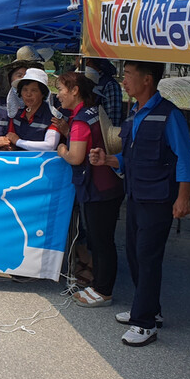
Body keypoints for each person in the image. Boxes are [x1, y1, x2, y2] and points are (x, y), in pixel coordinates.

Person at [89, 61, 190, 347]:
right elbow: (129, 157)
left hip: (159, 198)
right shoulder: (134, 113)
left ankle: (145, 323)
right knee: (135, 254)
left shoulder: (169, 115)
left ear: (147, 80)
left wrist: (183, 197)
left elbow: (185, 158)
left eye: (128, 75)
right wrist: (107, 159)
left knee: (147, 257)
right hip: (135, 194)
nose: (123, 81)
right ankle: (149, 309)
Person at [54, 71, 124, 307]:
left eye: (62, 90)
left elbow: (75, 156)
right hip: (109, 186)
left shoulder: (81, 119)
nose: (58, 95)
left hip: (97, 189)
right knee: (102, 240)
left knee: (101, 241)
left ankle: (103, 290)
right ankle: (99, 285)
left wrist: (62, 149)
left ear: (75, 91)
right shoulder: (93, 112)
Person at [5, 68, 59, 151]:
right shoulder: (16, 114)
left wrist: (18, 142)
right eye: (24, 90)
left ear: (43, 94)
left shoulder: (52, 117)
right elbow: (10, 138)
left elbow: (50, 146)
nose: (28, 94)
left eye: (34, 90)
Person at [0, 46, 48, 119]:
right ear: (10, 78)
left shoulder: (45, 107)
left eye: (27, 75)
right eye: (19, 75)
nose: (24, 79)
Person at [86, 58, 124, 127]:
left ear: (87, 59)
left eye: (77, 57)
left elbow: (113, 122)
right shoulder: (85, 80)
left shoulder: (110, 85)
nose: (75, 62)